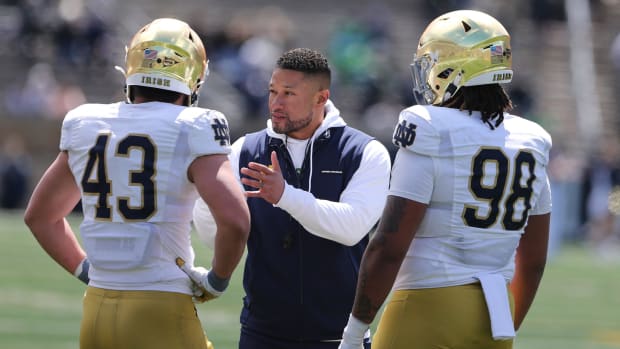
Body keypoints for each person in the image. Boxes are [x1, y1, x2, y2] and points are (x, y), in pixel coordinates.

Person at [23, 18, 251, 349]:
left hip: (96, 309)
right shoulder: (194, 125)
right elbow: (235, 221)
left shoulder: (87, 121)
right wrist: (217, 280)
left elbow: (40, 216)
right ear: (194, 76)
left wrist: (85, 269)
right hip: (162, 306)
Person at [339, 10, 552, 349]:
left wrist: (352, 334)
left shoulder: (429, 126)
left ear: (454, 66)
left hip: (426, 307)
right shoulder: (532, 139)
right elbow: (535, 259)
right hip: (495, 318)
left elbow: (389, 246)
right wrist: (509, 325)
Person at [192, 48, 391, 348]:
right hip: (262, 334)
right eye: (272, 91)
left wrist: (285, 195)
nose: (276, 102)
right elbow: (211, 232)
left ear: (321, 98)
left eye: (288, 93)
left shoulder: (364, 152)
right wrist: (213, 210)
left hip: (340, 337)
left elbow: (352, 227)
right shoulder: (244, 149)